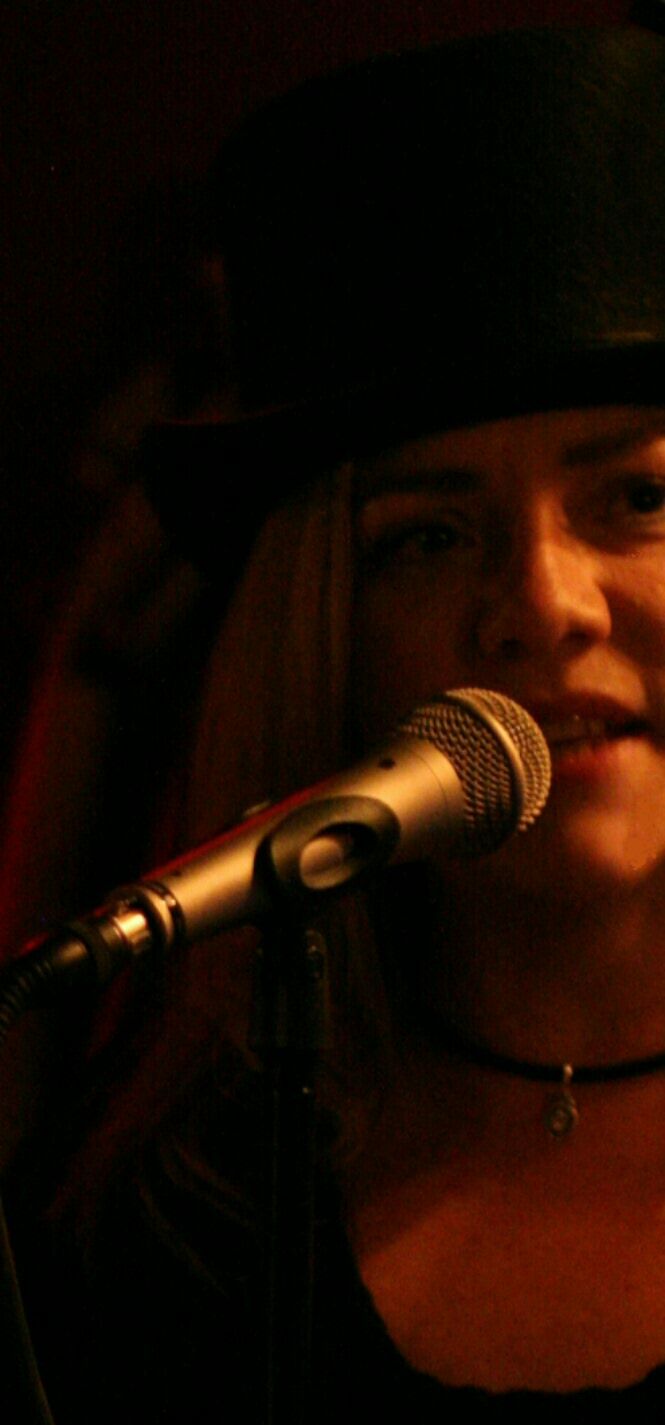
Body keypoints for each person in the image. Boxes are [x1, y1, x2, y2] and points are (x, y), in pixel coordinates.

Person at [2, 21, 665, 1424]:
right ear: (328, 637)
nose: (542, 606)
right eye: (428, 535)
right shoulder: (170, 1220)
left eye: (636, 498)